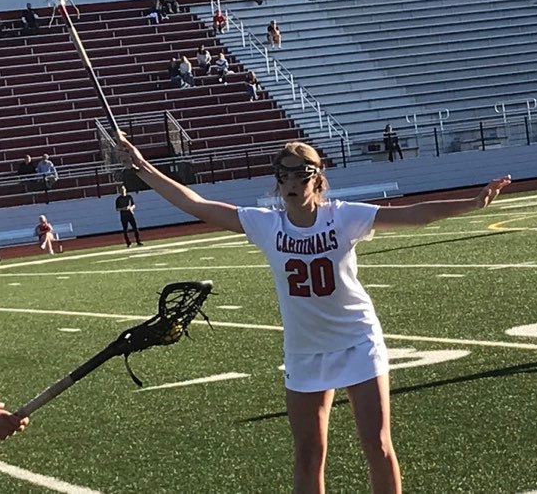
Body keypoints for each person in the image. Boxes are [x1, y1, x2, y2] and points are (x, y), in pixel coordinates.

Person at [116, 135, 511, 494]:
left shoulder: (343, 216)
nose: (291, 184)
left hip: (357, 340)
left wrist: (472, 202)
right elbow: (195, 204)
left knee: (377, 444)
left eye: (300, 176)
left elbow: (413, 214)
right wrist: (141, 165)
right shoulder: (266, 225)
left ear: (317, 179)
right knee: (308, 454)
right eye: (283, 176)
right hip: (304, 350)